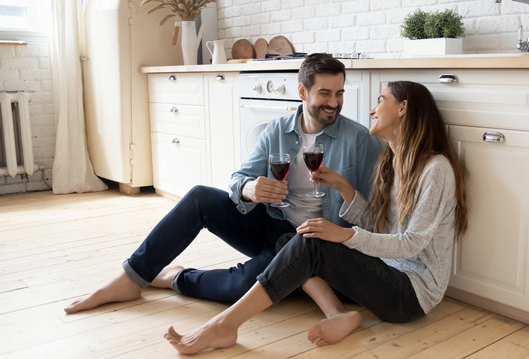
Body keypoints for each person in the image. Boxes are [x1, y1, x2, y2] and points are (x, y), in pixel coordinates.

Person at [162, 80, 468, 354]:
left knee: (311, 243)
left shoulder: (435, 169)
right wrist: (342, 186)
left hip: (411, 294)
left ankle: (224, 326)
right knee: (293, 237)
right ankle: (336, 314)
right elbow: (379, 226)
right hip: (385, 274)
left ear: (403, 108)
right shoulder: (391, 162)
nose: (373, 110)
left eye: (381, 100)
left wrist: (344, 235)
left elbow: (411, 244)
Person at [64, 53, 382, 313]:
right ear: (302, 92)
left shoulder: (358, 140)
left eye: (339, 93)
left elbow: (373, 214)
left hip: (311, 243)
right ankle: (131, 277)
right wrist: (250, 189)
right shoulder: (276, 131)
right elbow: (238, 180)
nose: (334, 102)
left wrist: (343, 190)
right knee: (200, 197)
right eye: (324, 93)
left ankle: (177, 277)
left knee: (242, 287)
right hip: (273, 226)